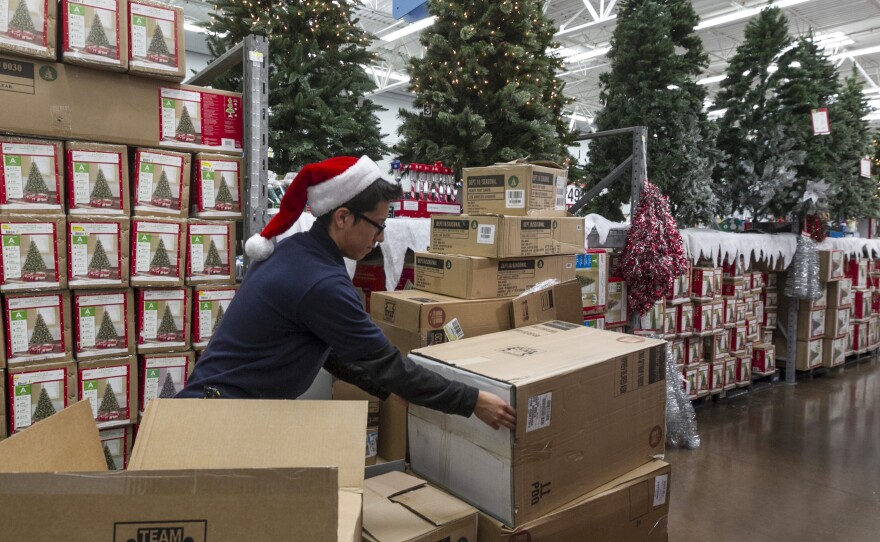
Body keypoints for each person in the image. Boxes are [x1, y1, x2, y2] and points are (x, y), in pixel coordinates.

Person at [178, 156, 516, 431]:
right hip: (217, 420)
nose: (382, 237)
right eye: (378, 224)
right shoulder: (319, 282)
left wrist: (385, 387)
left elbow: (332, 350)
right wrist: (473, 401)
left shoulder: (301, 252)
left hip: (222, 409)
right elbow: (386, 362)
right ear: (342, 217)